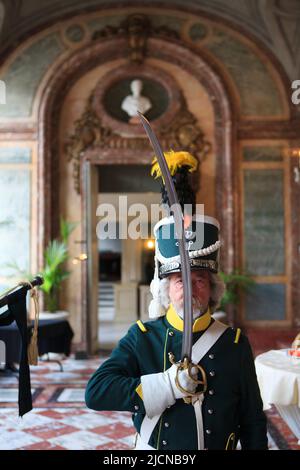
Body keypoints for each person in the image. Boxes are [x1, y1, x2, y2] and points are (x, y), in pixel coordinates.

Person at [85, 151, 268, 450]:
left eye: (200, 281)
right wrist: (166, 386)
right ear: (166, 289)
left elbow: (252, 420)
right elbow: (96, 393)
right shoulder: (141, 338)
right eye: (181, 281)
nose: (191, 288)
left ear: (212, 289)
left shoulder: (235, 343)